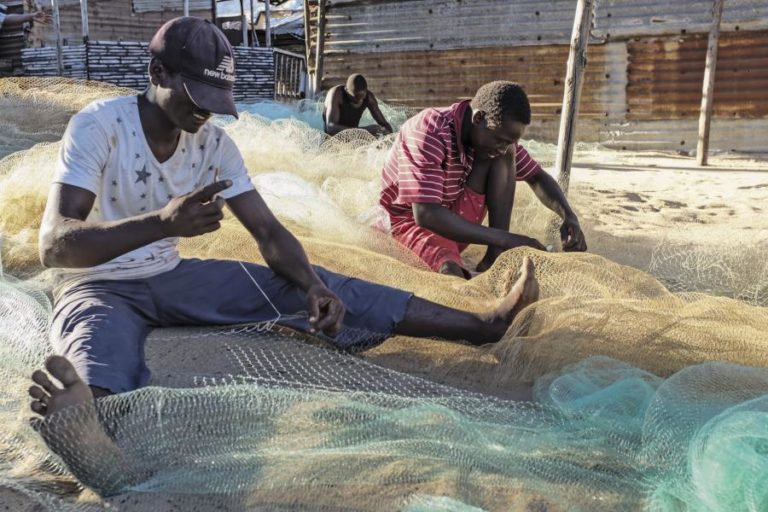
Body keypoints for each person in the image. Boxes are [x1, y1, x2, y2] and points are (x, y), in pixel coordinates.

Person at [27, 18, 539, 493]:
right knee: (94, 348)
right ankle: (84, 426)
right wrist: (162, 224)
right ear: (156, 72)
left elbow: (268, 231)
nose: (204, 112)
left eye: (214, 99)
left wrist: (312, 286)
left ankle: (482, 325)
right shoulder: (101, 126)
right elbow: (55, 245)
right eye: (195, 96)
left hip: (173, 275)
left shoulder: (213, 146)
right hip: (97, 285)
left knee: (330, 285)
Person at [379, 81, 587, 279]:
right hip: (409, 224)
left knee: (506, 156)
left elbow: (536, 176)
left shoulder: (496, 140)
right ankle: (495, 247)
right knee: (451, 274)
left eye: (509, 142)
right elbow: (425, 214)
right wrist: (505, 239)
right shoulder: (429, 131)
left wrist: (568, 215)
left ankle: (495, 256)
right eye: (500, 140)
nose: (503, 147)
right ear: (478, 118)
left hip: (455, 218)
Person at [322, 73, 393, 136]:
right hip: (332, 140)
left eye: (362, 97)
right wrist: (365, 130)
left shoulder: (369, 97)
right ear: (346, 91)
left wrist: (387, 134)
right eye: (356, 97)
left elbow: (384, 124)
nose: (360, 100)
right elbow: (331, 128)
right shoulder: (336, 95)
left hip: (354, 137)